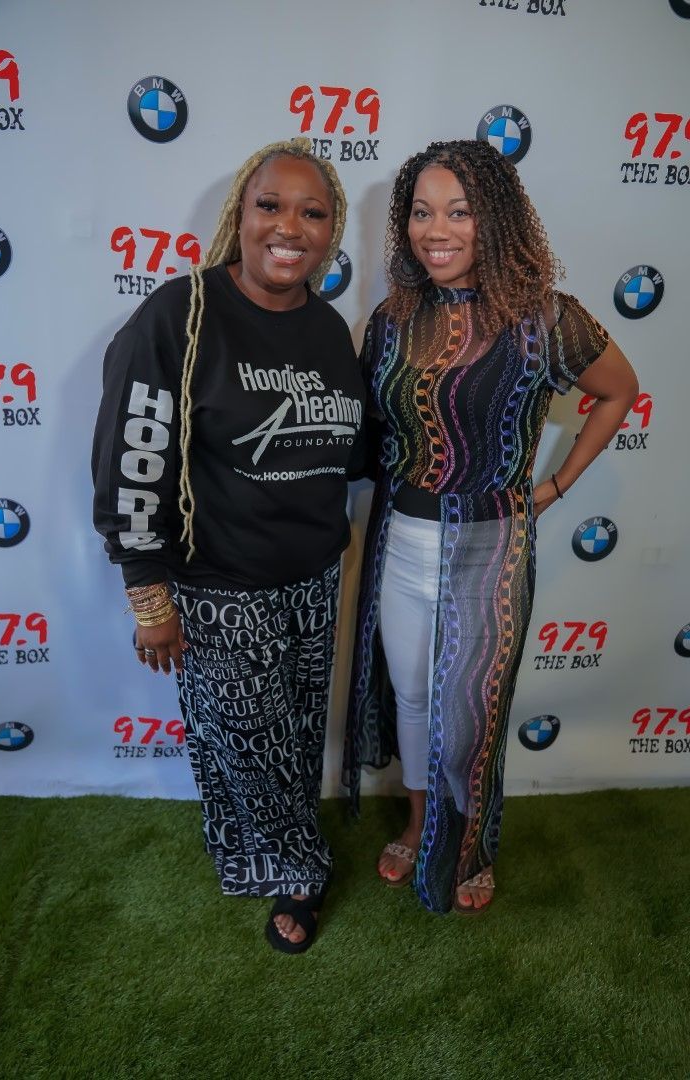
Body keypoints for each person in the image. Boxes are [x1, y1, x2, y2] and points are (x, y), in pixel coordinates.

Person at [343, 140, 638, 915]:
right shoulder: (391, 318)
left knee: (471, 714)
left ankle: (470, 846)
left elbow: (620, 392)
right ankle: (418, 824)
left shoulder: (546, 319)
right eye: (421, 212)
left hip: (493, 546)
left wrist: (555, 487)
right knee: (411, 694)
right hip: (400, 543)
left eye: (460, 211)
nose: (435, 230)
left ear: (496, 220)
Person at [92, 138, 364, 953]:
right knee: (248, 749)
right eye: (270, 206)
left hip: (315, 579)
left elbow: (345, 452)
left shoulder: (326, 328)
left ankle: (271, 854)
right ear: (238, 217)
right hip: (219, 588)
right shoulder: (180, 314)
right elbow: (130, 464)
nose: (290, 226)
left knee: (290, 742)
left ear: (332, 231)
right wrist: (149, 596)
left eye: (312, 212)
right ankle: (301, 873)